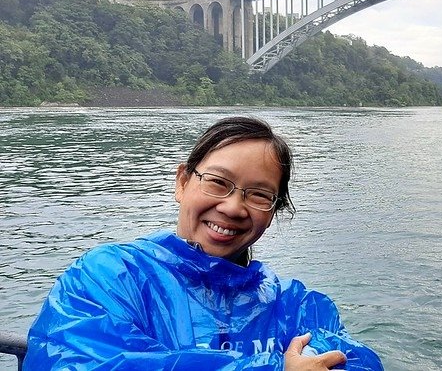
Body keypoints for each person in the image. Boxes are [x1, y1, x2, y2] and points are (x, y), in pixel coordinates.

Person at [23, 116, 383, 371]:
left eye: (259, 194)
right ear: (182, 181)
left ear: (274, 211)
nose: (232, 207)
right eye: (217, 182)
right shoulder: (109, 277)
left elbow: (353, 361)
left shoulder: (295, 306)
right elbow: (77, 360)